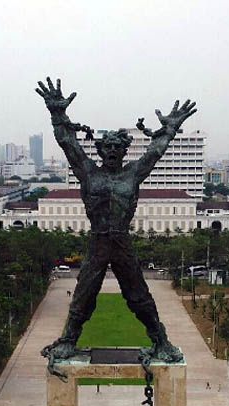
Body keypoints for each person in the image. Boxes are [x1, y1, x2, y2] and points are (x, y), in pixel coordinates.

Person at [37, 77, 195, 364]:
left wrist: (170, 129)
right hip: (98, 241)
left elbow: (155, 151)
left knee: (139, 295)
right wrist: (57, 114)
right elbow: (68, 143)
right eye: (107, 147)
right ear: (100, 150)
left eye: (116, 148)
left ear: (123, 152)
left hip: (122, 242)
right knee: (84, 292)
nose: (111, 151)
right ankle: (69, 340)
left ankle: (161, 341)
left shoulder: (132, 174)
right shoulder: (88, 172)